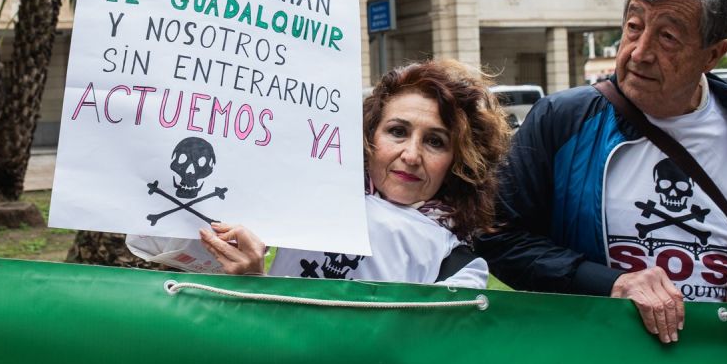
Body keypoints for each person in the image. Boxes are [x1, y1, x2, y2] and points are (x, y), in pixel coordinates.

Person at [474, 0, 727, 345]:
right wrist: (610, 283)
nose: (639, 52)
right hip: (596, 349)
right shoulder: (561, 120)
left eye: (667, 37)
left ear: (712, 55)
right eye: (634, 27)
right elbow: (498, 237)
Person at [128, 60, 511, 288]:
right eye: (397, 131)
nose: (410, 155)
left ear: (459, 160)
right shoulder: (309, 196)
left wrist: (261, 293)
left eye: (435, 142)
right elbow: (169, 241)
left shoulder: (459, 270)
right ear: (369, 136)